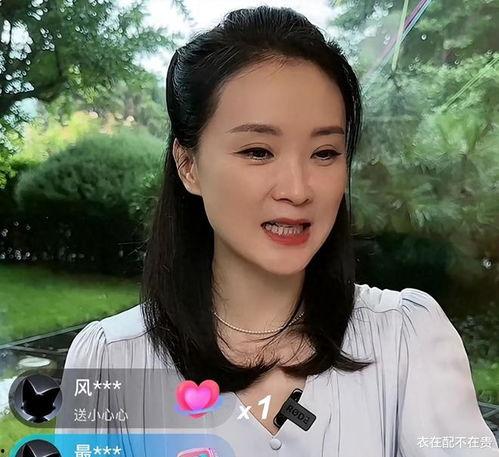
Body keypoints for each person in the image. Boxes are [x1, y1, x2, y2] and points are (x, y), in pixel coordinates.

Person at [56, 5, 498, 456]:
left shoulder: (406, 340)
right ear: (188, 165)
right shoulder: (109, 362)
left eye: (324, 153)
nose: (297, 189)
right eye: (258, 151)